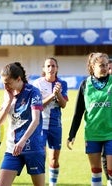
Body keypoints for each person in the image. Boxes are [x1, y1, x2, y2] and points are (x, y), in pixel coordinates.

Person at [67, 52, 112, 185]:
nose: (105, 68)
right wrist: (72, 134)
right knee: (96, 171)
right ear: (92, 66)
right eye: (101, 65)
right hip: (92, 134)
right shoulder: (85, 84)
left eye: (107, 65)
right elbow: (78, 112)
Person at [0, 62, 45, 186]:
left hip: (33, 147)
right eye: (3, 83)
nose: (5, 86)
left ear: (18, 79)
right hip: (12, 148)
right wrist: (8, 101)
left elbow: (36, 120)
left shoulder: (33, 92)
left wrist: (23, 141)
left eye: (8, 83)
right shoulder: (8, 94)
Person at [33, 57, 68, 186]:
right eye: (48, 66)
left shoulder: (62, 83)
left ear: (57, 68)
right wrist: (52, 95)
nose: (51, 68)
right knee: (40, 157)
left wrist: (58, 94)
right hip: (40, 125)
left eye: (53, 66)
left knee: (54, 159)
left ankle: (52, 184)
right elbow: (38, 105)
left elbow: (63, 105)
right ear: (44, 68)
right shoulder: (37, 84)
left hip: (55, 125)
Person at [102, 57, 112, 186]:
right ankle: (109, 181)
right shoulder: (97, 85)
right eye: (109, 68)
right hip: (99, 131)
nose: (110, 70)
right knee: (104, 157)